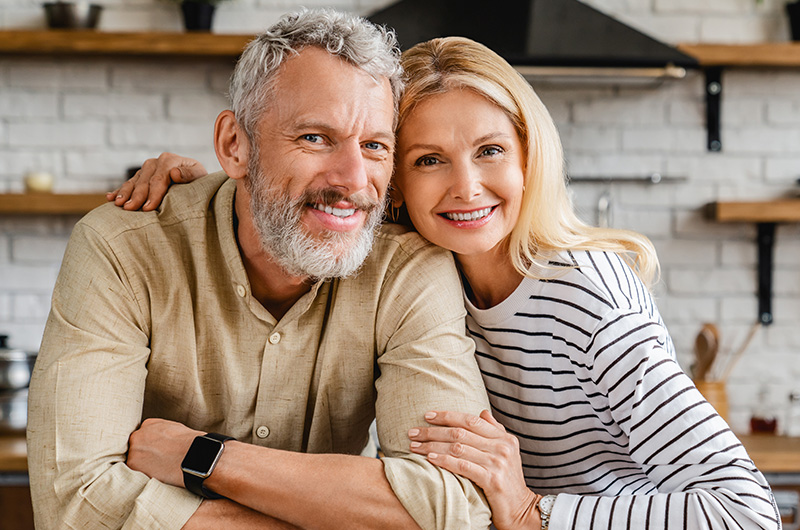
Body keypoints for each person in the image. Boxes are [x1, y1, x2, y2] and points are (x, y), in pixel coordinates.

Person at [124, 36, 782, 530]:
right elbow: (305, 180)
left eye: (490, 150)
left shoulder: (588, 297)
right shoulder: (418, 274)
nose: (466, 186)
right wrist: (205, 186)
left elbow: (744, 510)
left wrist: (533, 511)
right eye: (429, 159)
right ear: (397, 185)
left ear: (530, 154)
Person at [26, 10, 494, 530]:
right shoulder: (122, 250)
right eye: (315, 138)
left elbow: (456, 507)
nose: (353, 179)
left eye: (374, 146)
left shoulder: (407, 269)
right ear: (235, 145)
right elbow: (75, 503)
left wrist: (204, 458)